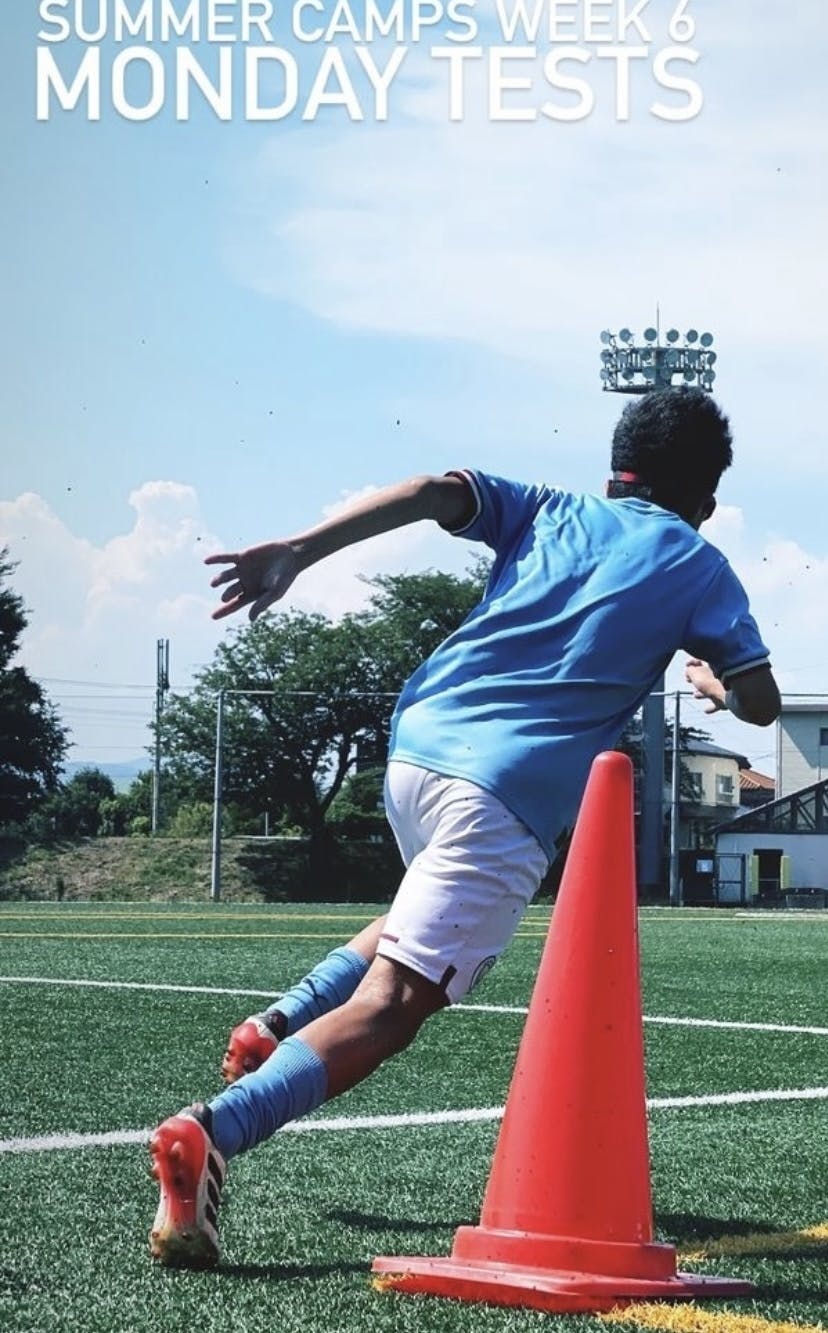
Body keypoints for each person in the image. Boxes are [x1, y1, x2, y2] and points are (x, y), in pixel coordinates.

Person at [149, 386, 780, 1268]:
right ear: (706, 500)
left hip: (418, 751)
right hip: (506, 793)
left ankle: (279, 1021)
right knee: (395, 1003)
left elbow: (428, 490)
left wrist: (298, 549)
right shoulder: (702, 567)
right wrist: (713, 682)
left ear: (615, 471)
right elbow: (761, 700)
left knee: (411, 920)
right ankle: (216, 1130)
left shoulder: (550, 509)